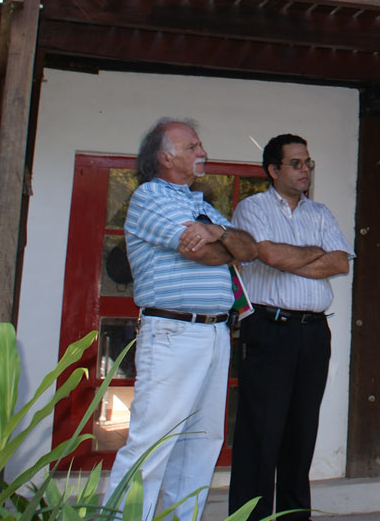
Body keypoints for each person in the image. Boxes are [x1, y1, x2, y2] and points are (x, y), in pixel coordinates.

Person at [107, 118, 257, 521]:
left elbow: (248, 248)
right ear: (164, 156)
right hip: (173, 331)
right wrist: (220, 238)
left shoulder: (201, 205)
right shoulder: (150, 198)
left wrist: (214, 231)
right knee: (152, 443)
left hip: (214, 333)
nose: (202, 152)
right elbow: (202, 254)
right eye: (192, 146)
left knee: (202, 442)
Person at [229, 134, 355, 521]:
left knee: (301, 434)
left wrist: (291, 257)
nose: (305, 170)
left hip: (314, 333)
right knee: (261, 434)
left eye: (308, 164)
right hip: (269, 328)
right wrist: (312, 253)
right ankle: (252, 517)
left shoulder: (320, 214)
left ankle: (293, 517)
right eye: (296, 163)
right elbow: (265, 252)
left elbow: (340, 263)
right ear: (273, 170)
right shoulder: (251, 209)